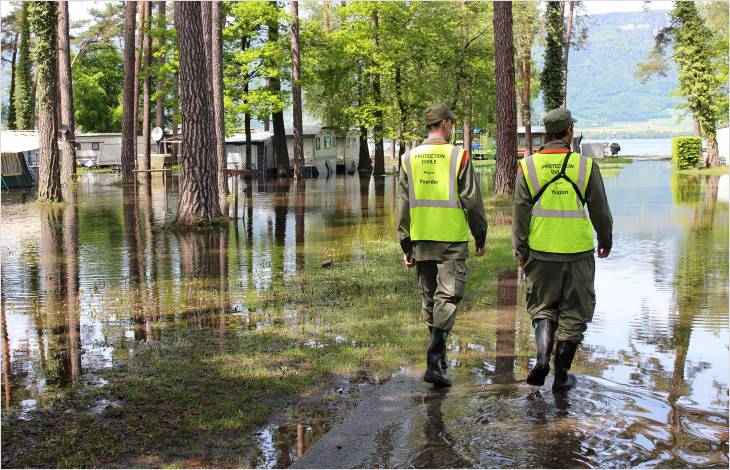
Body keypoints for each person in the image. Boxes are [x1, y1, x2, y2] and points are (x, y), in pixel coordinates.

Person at [512, 107, 613, 392]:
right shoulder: (585, 166)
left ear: (547, 133)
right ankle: (561, 376)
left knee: (543, 308)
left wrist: (521, 251)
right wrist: (605, 240)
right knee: (574, 314)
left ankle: (543, 358)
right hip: (578, 253)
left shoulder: (528, 166)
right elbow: (601, 212)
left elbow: (520, 214)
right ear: (569, 132)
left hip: (540, 253)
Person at [397, 103, 488, 387]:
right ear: (446, 124)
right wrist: (480, 236)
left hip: (421, 238)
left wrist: (406, 244)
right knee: (447, 298)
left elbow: (403, 205)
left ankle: (439, 355)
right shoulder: (458, 156)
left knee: (430, 299)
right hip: (450, 240)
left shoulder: (408, 158)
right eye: (452, 122)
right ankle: (434, 361)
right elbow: (472, 201)